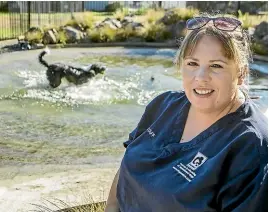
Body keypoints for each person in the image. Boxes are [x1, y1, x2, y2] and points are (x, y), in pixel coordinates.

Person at [105, 15, 268, 212]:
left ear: (241, 74)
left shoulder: (250, 145)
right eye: (192, 63)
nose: (200, 78)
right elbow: (125, 170)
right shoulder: (163, 106)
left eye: (216, 66)